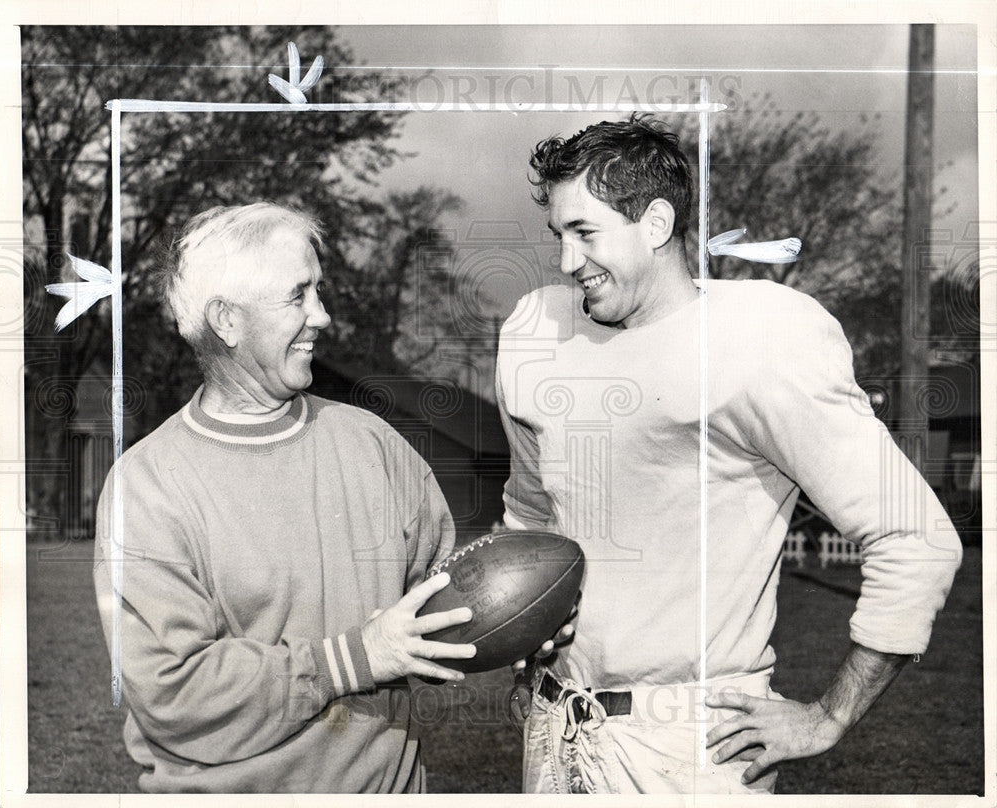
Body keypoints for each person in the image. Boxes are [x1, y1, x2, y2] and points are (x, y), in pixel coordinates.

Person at [495, 115, 963, 794]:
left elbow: (915, 538)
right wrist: (523, 649)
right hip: (555, 724)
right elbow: (533, 518)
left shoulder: (762, 340)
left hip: (691, 746)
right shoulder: (537, 330)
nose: (568, 262)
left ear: (655, 224)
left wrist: (831, 715)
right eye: (559, 236)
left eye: (586, 233)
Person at [92, 202, 477, 793]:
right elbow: (174, 691)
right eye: (298, 296)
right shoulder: (146, 486)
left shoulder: (371, 442)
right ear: (227, 320)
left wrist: (518, 623)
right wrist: (353, 659)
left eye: (318, 292)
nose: (321, 316)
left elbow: (446, 601)